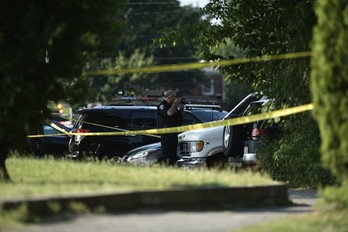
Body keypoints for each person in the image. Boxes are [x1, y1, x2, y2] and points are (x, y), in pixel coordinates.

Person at [157, 90, 185, 166]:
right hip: (166, 134)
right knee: (167, 154)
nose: (175, 98)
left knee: (173, 154)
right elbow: (169, 114)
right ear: (169, 97)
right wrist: (174, 105)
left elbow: (181, 118)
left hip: (174, 133)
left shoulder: (173, 106)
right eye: (174, 97)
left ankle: (172, 165)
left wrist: (181, 109)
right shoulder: (162, 105)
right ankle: (167, 166)